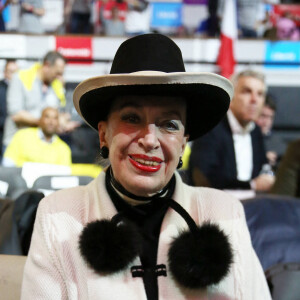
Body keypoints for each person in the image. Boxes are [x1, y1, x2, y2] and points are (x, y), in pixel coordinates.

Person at [21, 34, 271, 299]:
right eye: (131, 118)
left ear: (183, 142)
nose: (150, 140)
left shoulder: (225, 213)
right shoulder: (58, 216)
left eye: (169, 124)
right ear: (104, 134)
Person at [189, 69, 275, 192]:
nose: (254, 100)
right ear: (232, 97)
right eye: (247, 92)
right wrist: (252, 185)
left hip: (253, 205)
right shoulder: (211, 128)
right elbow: (205, 177)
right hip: (216, 204)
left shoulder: (255, 131)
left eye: (260, 94)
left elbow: (263, 169)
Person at [3, 51, 71, 149]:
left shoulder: (56, 85)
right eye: (57, 73)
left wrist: (63, 120)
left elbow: (57, 112)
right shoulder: (20, 78)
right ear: (47, 65)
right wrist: (48, 123)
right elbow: (16, 114)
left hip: (43, 146)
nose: (59, 77)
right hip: (16, 145)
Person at [2, 107, 72, 167]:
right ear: (40, 120)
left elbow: (64, 175)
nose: (51, 122)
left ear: (58, 123)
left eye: (55, 118)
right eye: (47, 117)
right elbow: (8, 164)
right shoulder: (22, 136)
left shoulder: (64, 149)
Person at [0, 59, 18, 159]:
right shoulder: (1, 87)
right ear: (4, 73)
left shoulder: (22, 88)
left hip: (16, 134)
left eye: (16, 72)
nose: (14, 75)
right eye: (11, 72)